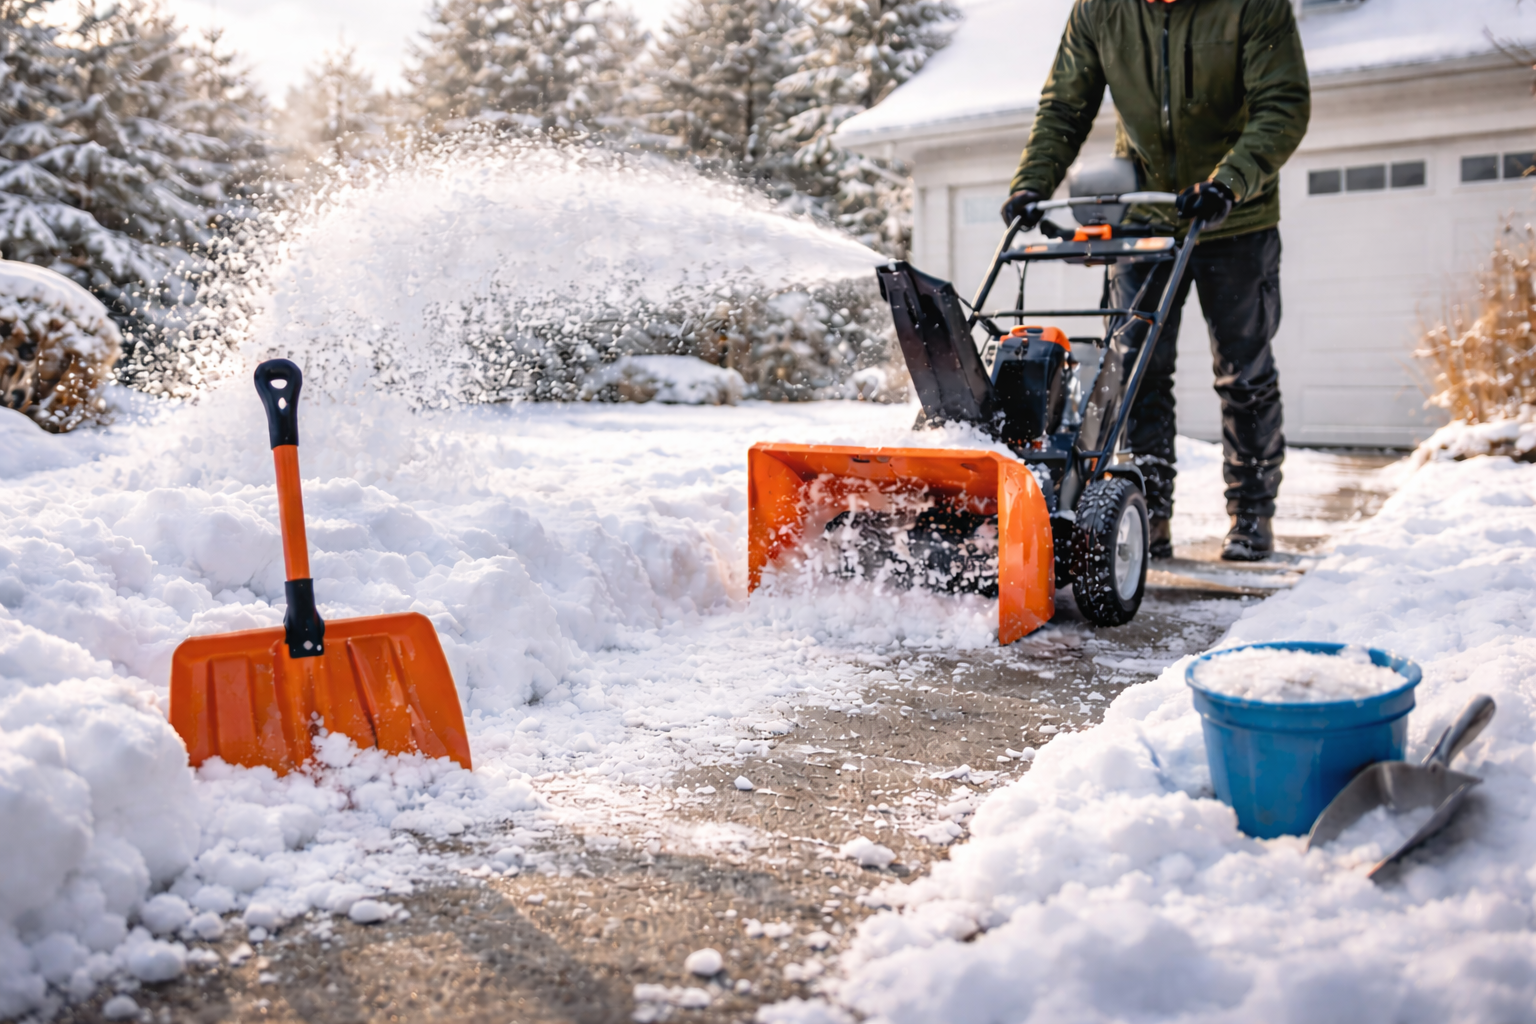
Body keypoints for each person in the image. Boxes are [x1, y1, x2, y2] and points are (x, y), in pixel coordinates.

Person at [1000, 0, 1309, 561]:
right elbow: (1065, 106)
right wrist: (1031, 184)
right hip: (1146, 217)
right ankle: (1148, 512)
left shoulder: (1254, 6)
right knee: (1136, 369)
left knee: (1244, 372)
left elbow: (1282, 104)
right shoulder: (1101, 11)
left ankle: (1251, 515)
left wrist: (1229, 181)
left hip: (1235, 215)